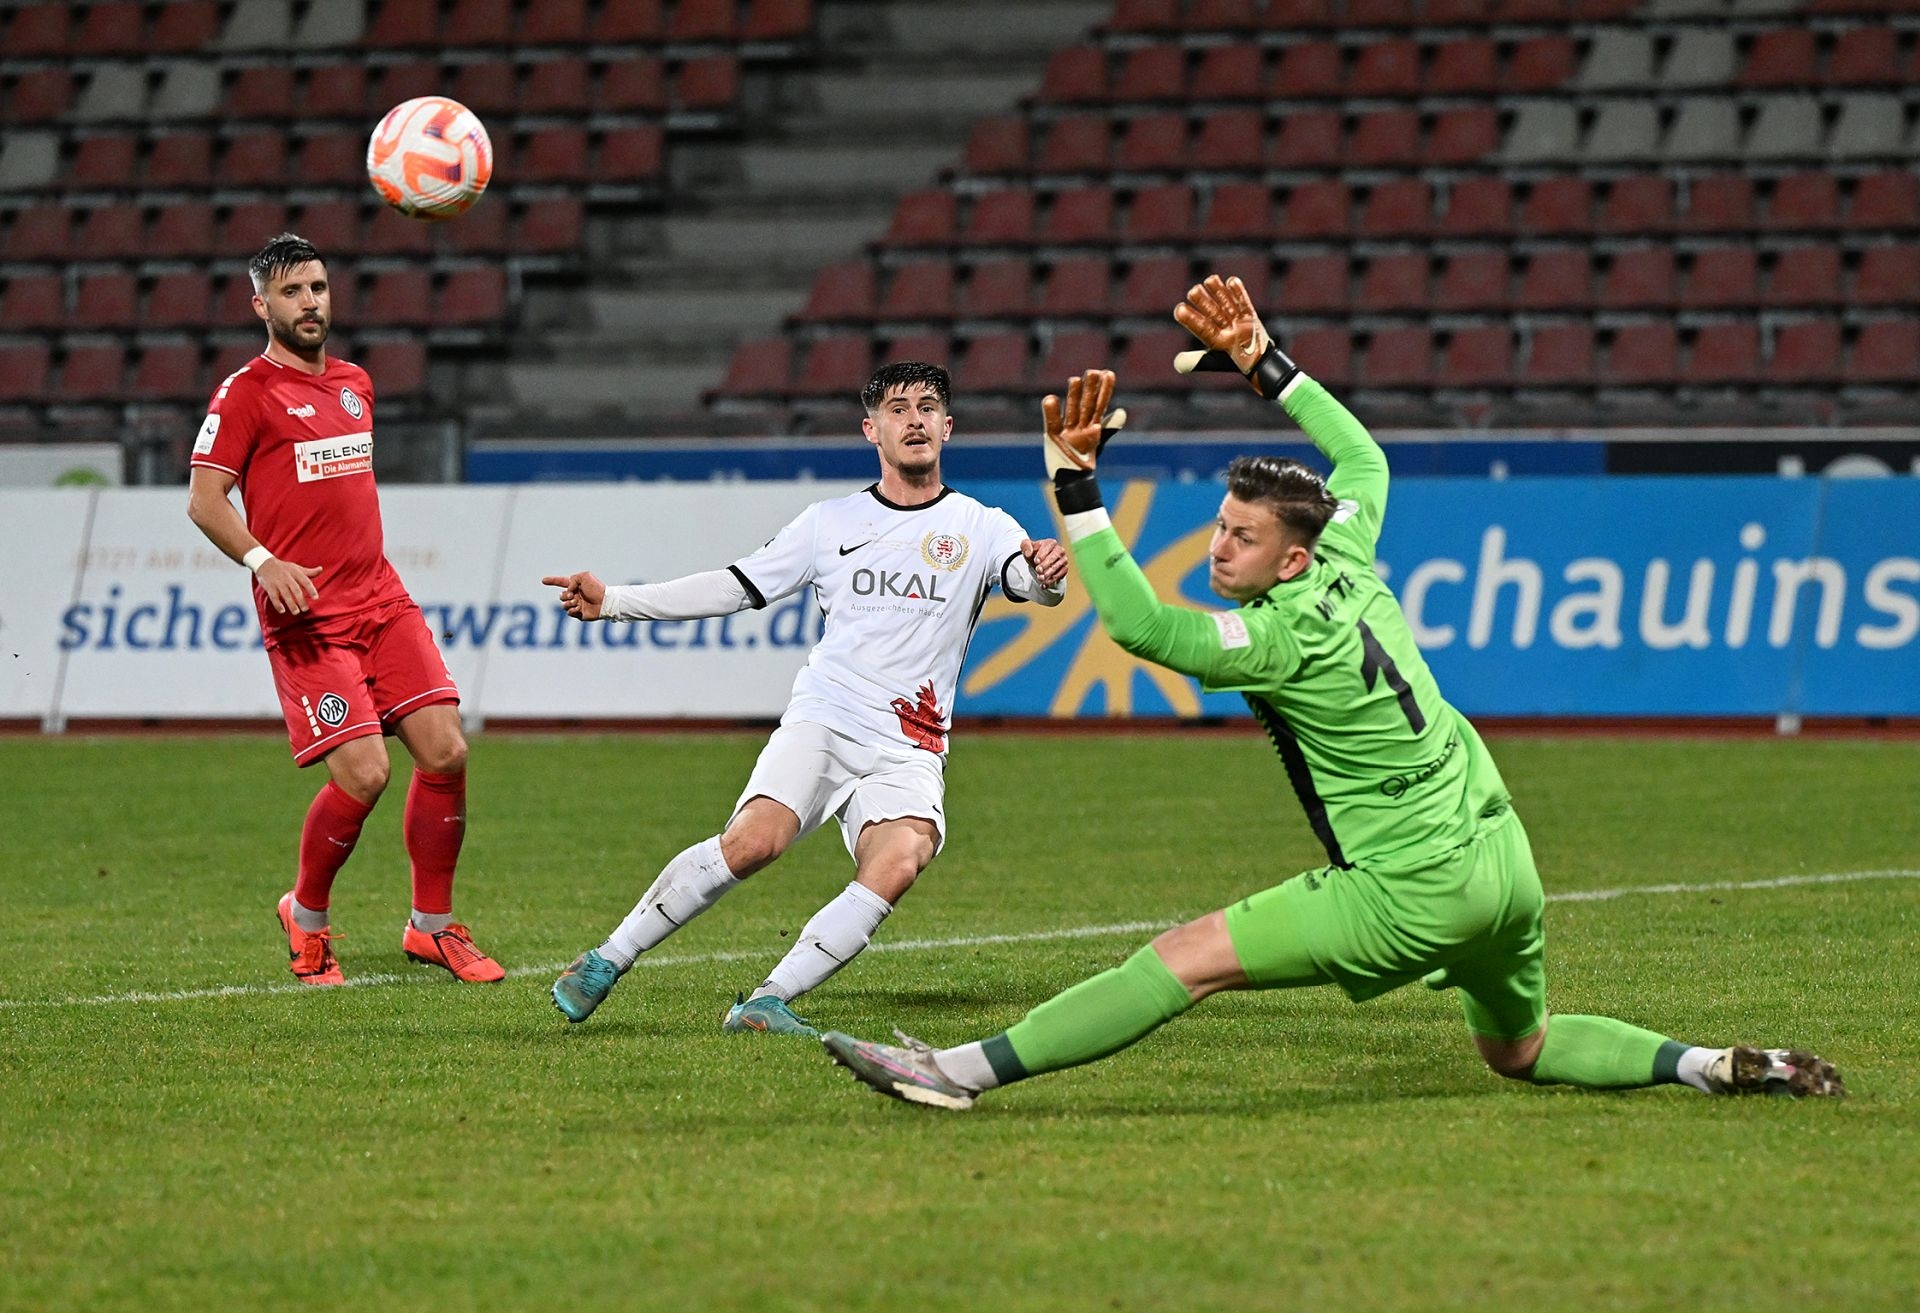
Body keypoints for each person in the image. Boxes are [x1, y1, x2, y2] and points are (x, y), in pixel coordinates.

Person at [821, 275, 1844, 1108]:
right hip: (1503, 863)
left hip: (1410, 888)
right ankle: (1706, 1063)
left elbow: (1139, 625)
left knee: (1186, 957)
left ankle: (956, 1073)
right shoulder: (1349, 548)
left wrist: (1078, 489)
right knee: (1520, 1048)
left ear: (1294, 558)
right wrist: (1266, 360)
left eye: (1243, 537)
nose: (1219, 548)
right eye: (1220, 526)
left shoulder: (1276, 638)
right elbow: (1362, 457)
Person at [542, 360, 1070, 1036]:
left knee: (900, 858)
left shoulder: (982, 524)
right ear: (871, 430)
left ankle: (766, 1001)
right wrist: (616, 601)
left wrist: (1047, 571)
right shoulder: (829, 523)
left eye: (928, 407)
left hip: (911, 742)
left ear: (948, 426)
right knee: (754, 842)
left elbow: (1032, 583)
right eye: (898, 409)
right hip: (828, 717)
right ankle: (607, 958)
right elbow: (735, 585)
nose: (914, 420)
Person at [186, 232, 503, 988]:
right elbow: (204, 500)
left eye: (319, 288)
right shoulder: (245, 393)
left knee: (447, 752)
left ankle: (432, 928)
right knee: (364, 774)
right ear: (261, 306)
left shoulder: (357, 382)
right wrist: (264, 561)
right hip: (307, 619)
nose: (310, 303)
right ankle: (306, 915)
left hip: (381, 600)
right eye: (292, 292)